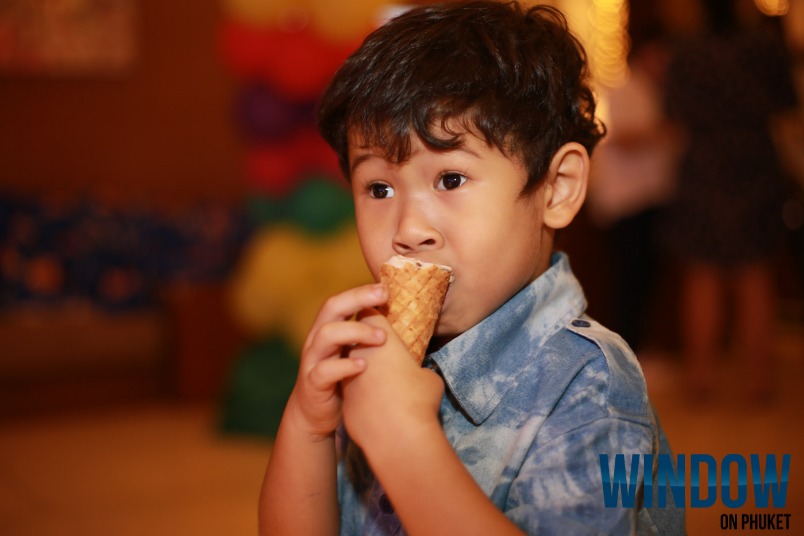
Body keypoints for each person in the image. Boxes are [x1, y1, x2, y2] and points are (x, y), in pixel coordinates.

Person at [260, 2, 684, 534]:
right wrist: (308, 425)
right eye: (379, 188)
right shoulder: (378, 357)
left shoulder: (589, 382)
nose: (409, 228)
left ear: (556, 188)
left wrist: (403, 440)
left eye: (451, 180)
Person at [662, 0, 798, 402]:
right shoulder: (764, 46)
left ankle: (701, 377)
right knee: (754, 270)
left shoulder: (687, 51)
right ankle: (760, 380)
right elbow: (787, 107)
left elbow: (672, 116)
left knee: (702, 271)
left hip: (703, 166)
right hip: (754, 164)